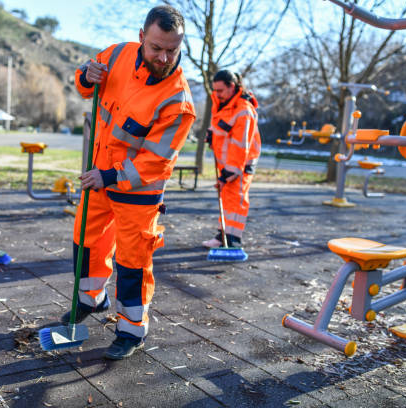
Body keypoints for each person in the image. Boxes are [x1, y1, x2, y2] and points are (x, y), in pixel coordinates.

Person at [62, 5, 196, 360]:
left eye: (172, 49)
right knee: (85, 242)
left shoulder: (178, 100)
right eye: (156, 48)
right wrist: (87, 77)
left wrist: (109, 176)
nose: (164, 57)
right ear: (141, 37)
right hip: (99, 177)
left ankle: (131, 330)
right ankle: (90, 299)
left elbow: (156, 161)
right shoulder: (117, 54)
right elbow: (82, 83)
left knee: (133, 262)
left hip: (137, 191)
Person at [202, 70, 261, 258]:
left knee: (236, 200)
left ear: (232, 87)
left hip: (240, 164)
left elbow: (241, 145)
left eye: (220, 90)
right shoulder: (221, 103)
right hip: (225, 162)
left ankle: (233, 240)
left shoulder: (244, 110)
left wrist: (230, 171)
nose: (217, 94)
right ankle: (222, 236)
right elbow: (218, 124)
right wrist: (211, 132)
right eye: (215, 90)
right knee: (225, 199)